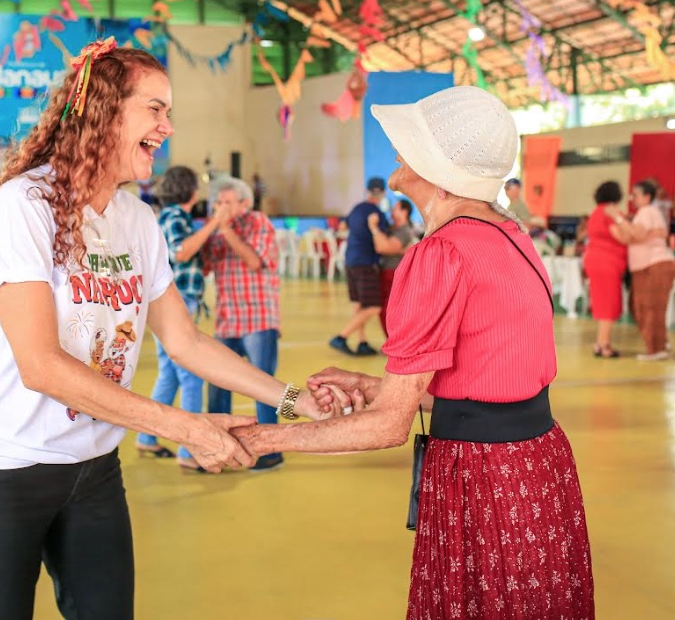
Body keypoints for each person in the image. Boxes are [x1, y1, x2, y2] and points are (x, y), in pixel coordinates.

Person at [0, 40, 331, 620]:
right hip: (2, 472)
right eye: (155, 109)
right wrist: (187, 427)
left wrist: (293, 397)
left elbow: (185, 340)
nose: (167, 127)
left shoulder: (137, 220)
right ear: (103, 111)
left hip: (93, 469)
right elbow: (41, 365)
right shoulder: (25, 208)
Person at [231, 86, 595, 619]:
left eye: (411, 143)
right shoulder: (510, 235)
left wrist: (257, 437)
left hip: (484, 476)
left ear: (436, 166)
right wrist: (382, 388)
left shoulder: (439, 253)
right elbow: (490, 385)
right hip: (537, 464)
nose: (397, 152)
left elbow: (387, 427)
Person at [135, 165, 222, 469]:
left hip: (179, 299)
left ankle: (147, 438)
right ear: (191, 191)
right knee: (191, 375)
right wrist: (214, 225)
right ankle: (191, 451)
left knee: (169, 373)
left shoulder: (175, 217)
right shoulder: (174, 217)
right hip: (177, 302)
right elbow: (181, 251)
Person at [201, 177, 286, 471]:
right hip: (227, 318)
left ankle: (270, 450)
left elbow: (253, 261)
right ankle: (220, 447)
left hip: (258, 316)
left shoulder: (258, 223)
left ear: (244, 203)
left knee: (262, 384)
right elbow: (204, 265)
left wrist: (224, 229)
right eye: (218, 203)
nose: (222, 208)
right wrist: (215, 227)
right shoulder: (216, 231)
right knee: (217, 382)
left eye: (227, 202)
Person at [618, 180, 675, 360]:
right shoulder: (645, 214)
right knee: (644, 307)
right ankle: (659, 343)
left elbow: (635, 234)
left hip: (654, 265)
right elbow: (634, 236)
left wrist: (620, 220)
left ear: (647, 196)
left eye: (635, 195)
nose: (632, 199)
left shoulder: (647, 211)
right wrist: (639, 234)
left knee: (650, 308)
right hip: (646, 266)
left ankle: (656, 348)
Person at [329, 177, 389, 357]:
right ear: (383, 193)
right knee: (373, 306)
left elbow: (342, 226)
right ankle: (341, 337)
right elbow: (383, 241)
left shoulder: (356, 209)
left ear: (367, 191)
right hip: (366, 263)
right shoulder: (378, 214)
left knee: (359, 305)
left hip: (350, 261)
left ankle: (362, 341)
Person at [583, 181, 629, 357]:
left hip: (595, 260)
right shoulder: (610, 213)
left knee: (602, 300)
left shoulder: (595, 213)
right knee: (608, 302)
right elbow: (621, 237)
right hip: (607, 262)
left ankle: (600, 342)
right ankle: (603, 344)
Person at [371, 197, 417, 335]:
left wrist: (373, 228)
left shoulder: (404, 231)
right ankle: (392, 341)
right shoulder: (392, 229)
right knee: (384, 309)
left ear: (404, 212)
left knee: (389, 310)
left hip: (393, 274)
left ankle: (394, 341)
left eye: (395, 208)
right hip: (386, 272)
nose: (391, 211)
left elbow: (385, 247)